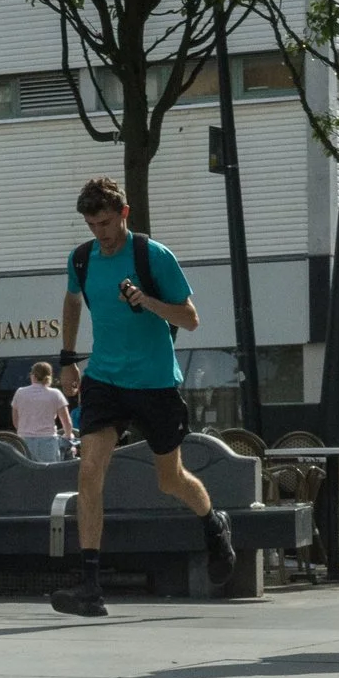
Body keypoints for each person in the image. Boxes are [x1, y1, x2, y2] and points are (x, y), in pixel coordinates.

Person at [47, 176, 233, 616]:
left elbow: (190, 320)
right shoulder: (82, 260)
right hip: (105, 381)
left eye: (107, 223)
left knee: (170, 480)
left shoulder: (153, 256)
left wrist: (146, 301)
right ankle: (91, 588)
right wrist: (68, 358)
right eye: (93, 225)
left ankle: (214, 524)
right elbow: (73, 301)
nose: (101, 233)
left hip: (154, 383)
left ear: (124, 215)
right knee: (89, 471)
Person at [9, 361, 74, 461]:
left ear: (33, 375)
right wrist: (69, 436)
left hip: (24, 443)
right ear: (49, 376)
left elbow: (15, 420)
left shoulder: (20, 392)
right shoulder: (55, 394)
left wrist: (25, 430)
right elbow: (67, 422)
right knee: (50, 474)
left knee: (26, 475)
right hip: (48, 442)